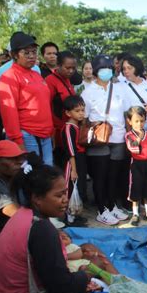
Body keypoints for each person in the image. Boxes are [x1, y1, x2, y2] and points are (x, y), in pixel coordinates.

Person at [0, 161, 90, 293]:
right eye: (59, 195)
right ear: (37, 198)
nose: (65, 200)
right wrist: (85, 276)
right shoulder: (41, 229)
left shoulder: (21, 214)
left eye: (65, 193)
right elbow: (63, 288)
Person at [82, 54, 137, 225]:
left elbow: (127, 114)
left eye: (109, 68)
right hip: (100, 139)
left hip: (119, 137)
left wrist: (130, 137)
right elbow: (83, 118)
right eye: (102, 68)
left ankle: (112, 205)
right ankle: (101, 209)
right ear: (96, 71)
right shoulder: (88, 91)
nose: (106, 71)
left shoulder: (121, 88)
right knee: (100, 176)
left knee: (113, 176)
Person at [0, 32, 54, 166]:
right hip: (27, 135)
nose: (32, 56)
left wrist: (51, 132)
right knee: (31, 178)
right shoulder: (9, 77)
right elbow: (8, 112)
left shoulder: (36, 74)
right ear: (15, 55)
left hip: (45, 134)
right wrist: (18, 142)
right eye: (26, 52)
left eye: (34, 52)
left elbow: (44, 104)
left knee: (46, 176)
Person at [125, 106, 147, 226]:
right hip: (136, 166)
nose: (140, 124)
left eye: (142, 121)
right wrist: (139, 138)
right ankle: (135, 214)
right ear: (129, 121)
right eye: (136, 121)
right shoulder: (129, 135)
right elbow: (133, 149)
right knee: (136, 189)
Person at [45, 51, 78, 168]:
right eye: (67, 68)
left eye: (73, 68)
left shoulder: (67, 80)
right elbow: (47, 107)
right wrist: (52, 131)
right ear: (58, 66)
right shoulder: (50, 81)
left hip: (70, 131)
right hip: (58, 133)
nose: (71, 71)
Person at [61, 95, 88, 225]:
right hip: (72, 163)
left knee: (80, 187)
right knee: (71, 188)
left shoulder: (78, 127)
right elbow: (71, 151)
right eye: (77, 111)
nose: (81, 113)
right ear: (68, 113)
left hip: (80, 160)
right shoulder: (68, 128)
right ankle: (69, 217)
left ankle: (76, 215)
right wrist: (73, 170)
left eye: (82, 110)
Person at [0, 140, 26, 233]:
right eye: (13, 158)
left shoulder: (14, 178)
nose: (20, 162)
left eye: (20, 157)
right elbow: (14, 215)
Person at [121, 54, 147, 122]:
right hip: (131, 129)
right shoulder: (120, 87)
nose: (126, 71)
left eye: (129, 68)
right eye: (124, 69)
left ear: (137, 67)